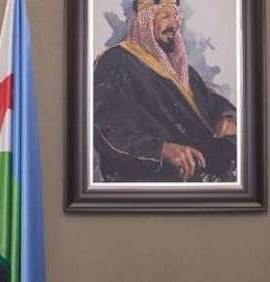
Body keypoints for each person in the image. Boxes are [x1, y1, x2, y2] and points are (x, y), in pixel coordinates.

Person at [94, 0, 238, 182]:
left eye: (176, 16)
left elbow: (209, 101)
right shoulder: (116, 62)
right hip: (149, 180)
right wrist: (162, 150)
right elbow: (106, 129)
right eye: (166, 17)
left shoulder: (179, 68)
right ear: (145, 21)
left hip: (204, 169)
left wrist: (226, 117)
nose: (174, 24)